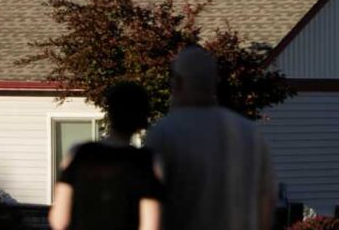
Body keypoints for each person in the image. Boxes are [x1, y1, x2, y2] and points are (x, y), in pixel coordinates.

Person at [145, 46, 276, 230]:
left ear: (178, 82)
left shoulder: (164, 133)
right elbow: (266, 204)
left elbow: (152, 213)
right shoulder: (250, 134)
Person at [48, 82, 163, 230]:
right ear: (142, 119)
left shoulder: (79, 153)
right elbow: (151, 225)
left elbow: (59, 220)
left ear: (110, 113)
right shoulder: (146, 162)